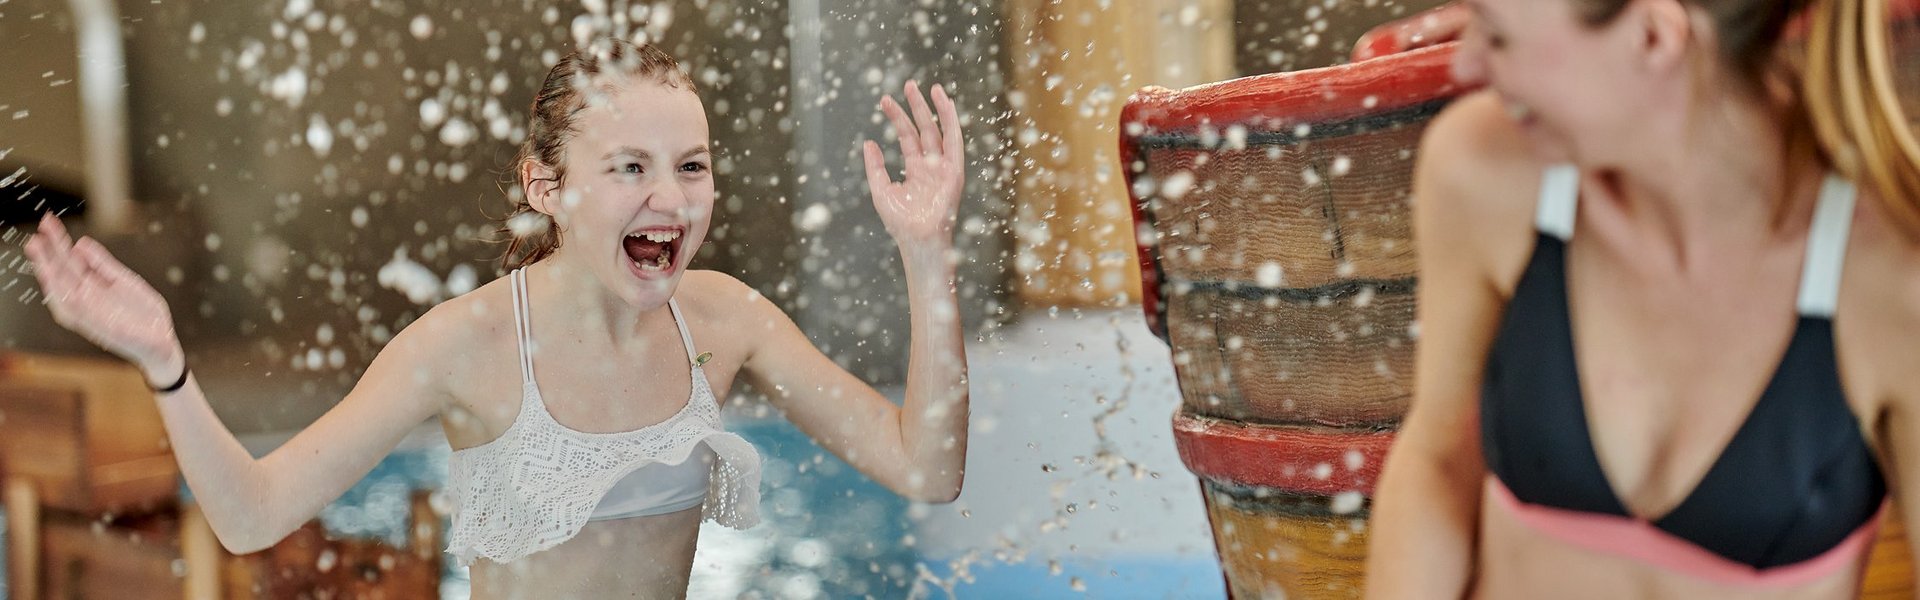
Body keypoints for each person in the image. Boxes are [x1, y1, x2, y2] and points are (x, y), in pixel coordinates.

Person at [23, 39, 971, 598]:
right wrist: (166, 363)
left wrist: (928, 259)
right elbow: (249, 517)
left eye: (692, 165)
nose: (673, 201)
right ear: (546, 188)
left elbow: (925, 470)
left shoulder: (724, 320)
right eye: (630, 167)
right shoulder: (464, 346)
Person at [1365, 0, 1919, 598]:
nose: (1468, 62)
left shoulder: (1889, 275)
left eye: (1498, 36)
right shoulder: (1484, 172)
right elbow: (1439, 459)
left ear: (1652, 36)